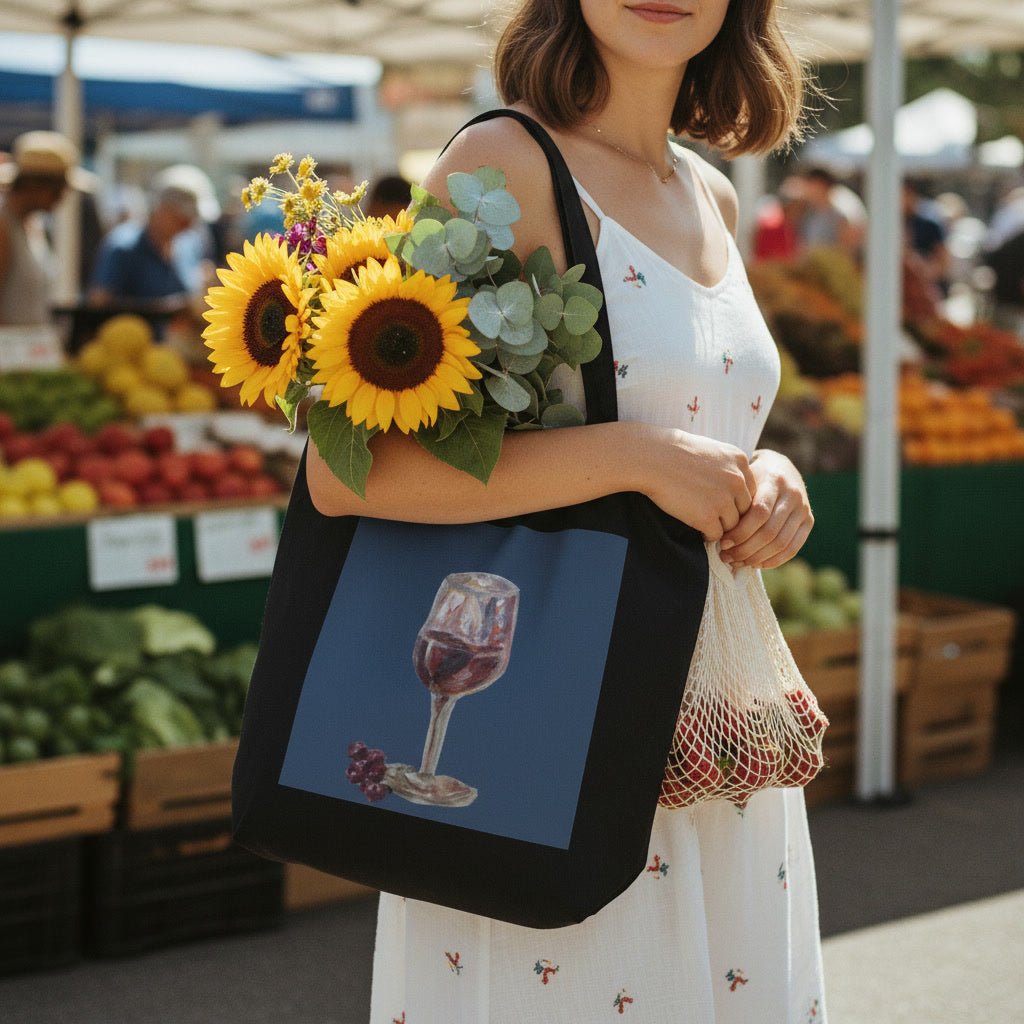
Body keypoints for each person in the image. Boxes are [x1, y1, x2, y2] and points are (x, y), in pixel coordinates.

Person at [307, 2, 822, 1020]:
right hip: (552, 729)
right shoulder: (502, 162)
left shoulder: (712, 193)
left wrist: (770, 473)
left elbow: (695, 408)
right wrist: (633, 458)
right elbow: (348, 472)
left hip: (716, 729)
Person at [88, 168, 204, 307]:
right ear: (160, 209)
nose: (187, 224)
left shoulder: (189, 244)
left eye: (191, 219)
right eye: (182, 217)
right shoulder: (123, 247)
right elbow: (100, 301)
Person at [0, 130, 81, 325]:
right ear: (36, 185)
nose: (62, 198)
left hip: (31, 349)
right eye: (58, 190)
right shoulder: (3, 228)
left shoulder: (33, 225)